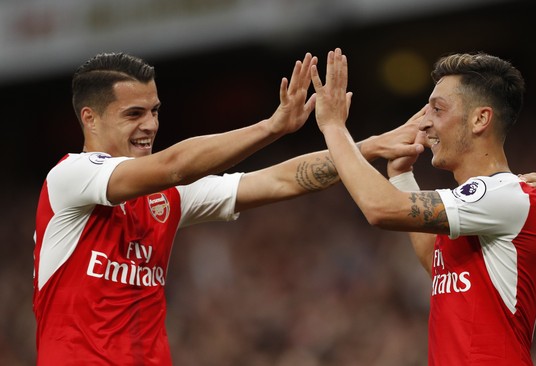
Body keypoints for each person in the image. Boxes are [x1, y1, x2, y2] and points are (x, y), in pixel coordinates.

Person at [33, 51, 425, 365]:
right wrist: (271, 127)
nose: (150, 124)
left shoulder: (166, 199)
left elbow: (280, 180)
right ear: (90, 119)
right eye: (134, 114)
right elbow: (175, 165)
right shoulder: (71, 178)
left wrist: (367, 148)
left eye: (154, 111)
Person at [311, 48, 536, 365]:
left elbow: (379, 208)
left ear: (480, 119)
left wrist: (334, 127)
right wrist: (400, 174)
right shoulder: (479, 204)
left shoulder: (505, 193)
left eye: (437, 110)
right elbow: (440, 265)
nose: (424, 124)